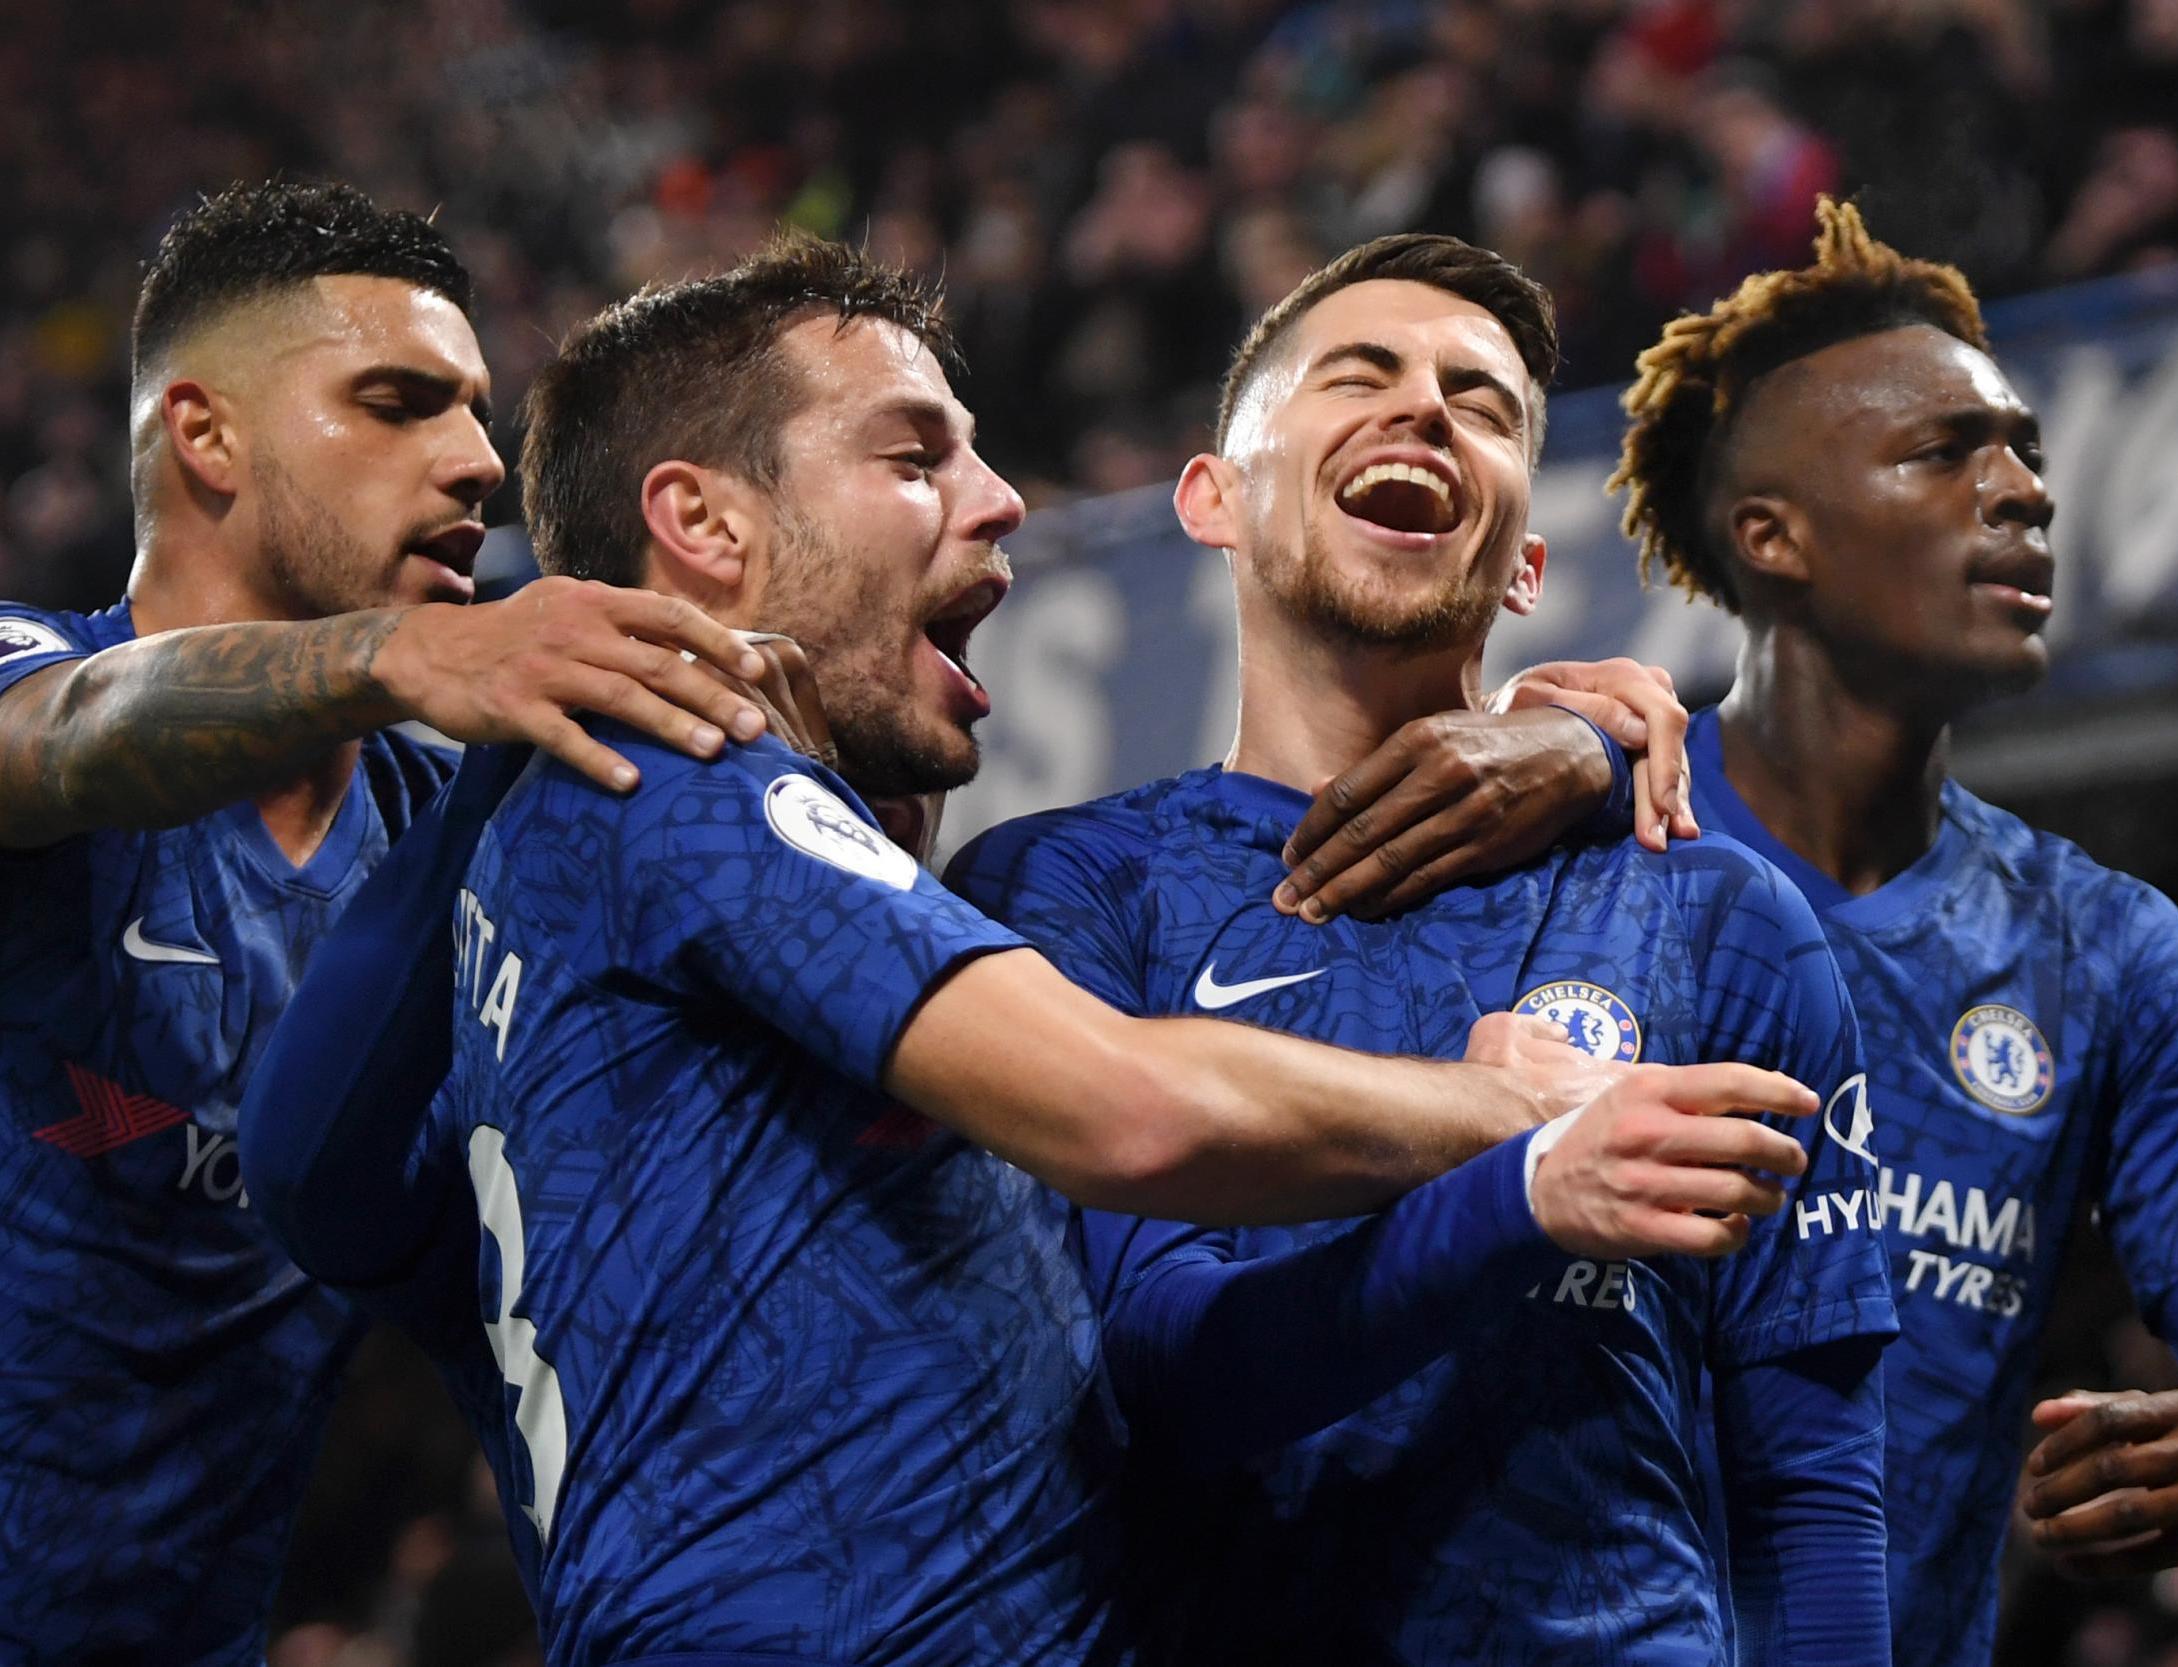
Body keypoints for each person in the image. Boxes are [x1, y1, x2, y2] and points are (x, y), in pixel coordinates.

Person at [238, 232, 1825, 1667]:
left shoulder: (644, 895)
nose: (1001, 500)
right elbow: (1131, 1126)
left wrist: (1597, 756)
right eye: (918, 454)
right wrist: (1515, 1134)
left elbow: (313, 1179)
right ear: (701, 523)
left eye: (1479, 403)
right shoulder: (722, 793)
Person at [942, 232, 1899, 1665]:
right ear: (1212, 498)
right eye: (1356, 374)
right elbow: (1151, 1372)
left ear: (1523, 558)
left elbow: (1813, 1478)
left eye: (1482, 401)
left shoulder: (1712, 913)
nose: (1425, 410)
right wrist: (1518, 1187)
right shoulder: (1070, 890)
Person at [0, 179, 798, 1666]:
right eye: (396, 402)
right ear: (206, 434)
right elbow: (77, 734)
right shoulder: (38, 674)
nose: (476, 462)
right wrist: (400, 652)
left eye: (478, 413)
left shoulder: (453, 828)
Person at [1599, 195, 2178, 1667]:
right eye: (1947, 452)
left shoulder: (2106, 952)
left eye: (2023, 453)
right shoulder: (1576, 852)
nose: (2022, 493)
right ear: (1772, 535)